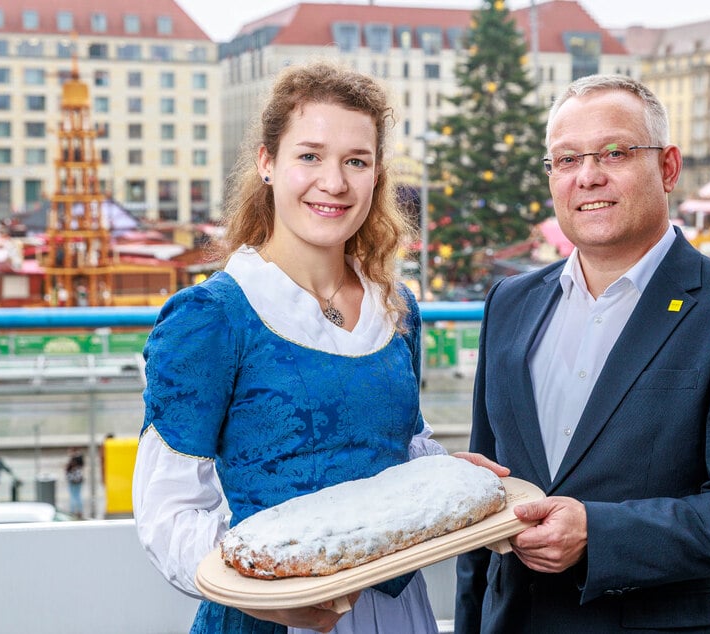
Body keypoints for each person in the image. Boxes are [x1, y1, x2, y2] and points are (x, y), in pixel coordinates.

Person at [132, 61, 504, 634]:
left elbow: (399, 444)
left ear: (377, 176)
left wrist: (446, 473)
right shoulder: (210, 318)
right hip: (273, 617)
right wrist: (259, 594)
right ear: (266, 164)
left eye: (356, 161)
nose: (334, 182)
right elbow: (168, 508)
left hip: (399, 611)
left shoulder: (396, 307)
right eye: (309, 155)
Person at [455, 74, 710, 633]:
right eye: (566, 160)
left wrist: (597, 531)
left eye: (614, 153)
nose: (588, 176)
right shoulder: (510, 304)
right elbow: (486, 492)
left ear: (667, 168)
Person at [65, 448, 85, 517]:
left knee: (73, 497)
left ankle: (72, 511)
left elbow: (67, 472)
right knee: (78, 496)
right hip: (78, 481)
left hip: (72, 481)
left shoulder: (72, 462)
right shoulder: (80, 462)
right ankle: (80, 511)